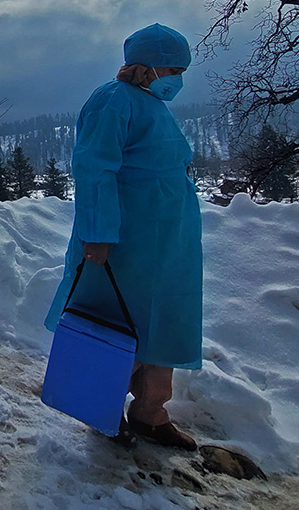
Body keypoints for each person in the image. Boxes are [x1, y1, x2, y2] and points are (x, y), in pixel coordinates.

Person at [44, 23, 202, 451]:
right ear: (146, 66)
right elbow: (95, 167)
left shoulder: (149, 100)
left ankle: (151, 413)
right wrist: (98, 233)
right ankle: (102, 406)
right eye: (172, 68)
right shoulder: (112, 101)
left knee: (162, 325)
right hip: (123, 242)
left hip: (165, 241)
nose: (178, 78)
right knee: (117, 324)